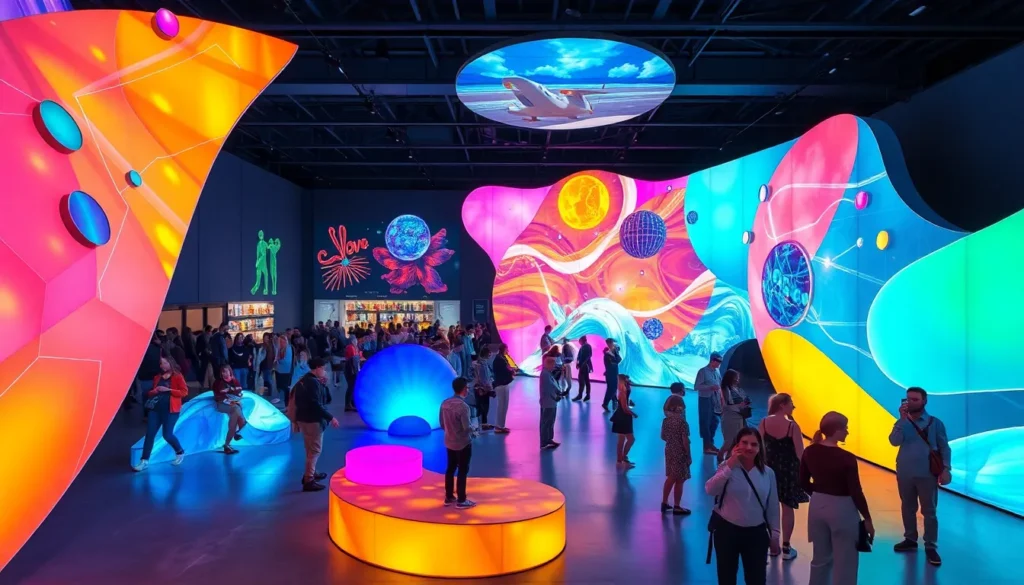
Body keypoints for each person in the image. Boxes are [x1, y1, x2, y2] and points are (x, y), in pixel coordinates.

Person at [801, 412, 874, 585]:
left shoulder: (809, 451)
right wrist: (867, 518)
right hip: (843, 509)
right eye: (845, 428)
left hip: (817, 506)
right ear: (836, 430)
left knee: (820, 559)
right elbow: (855, 491)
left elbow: (802, 482)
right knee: (846, 561)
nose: (847, 432)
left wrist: (819, 493)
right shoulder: (847, 458)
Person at [705, 428, 781, 585]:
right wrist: (730, 464)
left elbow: (773, 506)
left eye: (754, 444)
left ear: (760, 448)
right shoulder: (727, 468)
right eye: (744, 443)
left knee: (757, 579)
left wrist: (775, 535)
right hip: (727, 531)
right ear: (736, 445)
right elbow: (710, 489)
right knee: (726, 578)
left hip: (756, 534)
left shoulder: (768, 473)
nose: (749, 447)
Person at [889, 386, 951, 566]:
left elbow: (944, 447)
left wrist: (946, 468)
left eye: (915, 399)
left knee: (929, 511)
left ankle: (931, 545)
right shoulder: (901, 422)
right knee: (907, 507)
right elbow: (894, 441)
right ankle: (910, 539)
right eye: (908, 399)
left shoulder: (935, 423)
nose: (910, 402)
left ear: (924, 401)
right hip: (905, 472)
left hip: (927, 474)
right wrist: (901, 420)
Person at [758, 393, 808, 561]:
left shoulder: (764, 422)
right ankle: (786, 547)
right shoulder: (792, 427)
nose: (793, 406)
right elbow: (800, 454)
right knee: (787, 508)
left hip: (768, 470)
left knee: (767, 507)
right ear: (782, 405)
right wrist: (807, 474)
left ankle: (771, 545)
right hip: (788, 471)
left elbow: (758, 446)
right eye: (791, 403)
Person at [289, 358, 339, 492]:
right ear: (317, 368)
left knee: (309, 448)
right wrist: (331, 417)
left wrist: (324, 385)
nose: (325, 371)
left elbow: (326, 399)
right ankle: (308, 479)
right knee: (315, 450)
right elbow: (316, 404)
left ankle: (312, 472)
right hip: (313, 420)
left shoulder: (304, 380)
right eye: (323, 368)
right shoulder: (313, 383)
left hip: (303, 419)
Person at [132, 357, 188, 471]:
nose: (162, 365)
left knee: (167, 435)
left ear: (170, 363)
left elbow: (184, 392)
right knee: (150, 434)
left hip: (171, 410)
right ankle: (144, 461)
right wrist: (156, 390)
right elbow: (151, 393)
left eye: (164, 363)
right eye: (161, 363)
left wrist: (169, 390)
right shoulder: (157, 377)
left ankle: (179, 451)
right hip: (156, 409)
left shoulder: (177, 376)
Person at [440, 377, 476, 508]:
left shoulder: (444, 403)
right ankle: (461, 500)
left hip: (449, 441)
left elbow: (442, 424)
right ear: (464, 389)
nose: (468, 390)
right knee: (462, 470)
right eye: (467, 388)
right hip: (463, 443)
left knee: (450, 468)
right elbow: (466, 428)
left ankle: (449, 496)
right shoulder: (463, 407)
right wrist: (474, 429)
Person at [661, 390, 691, 515]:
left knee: (670, 477)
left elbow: (663, 436)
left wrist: (672, 439)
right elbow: (685, 441)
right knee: (680, 479)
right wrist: (688, 455)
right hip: (680, 452)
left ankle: (664, 502)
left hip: (669, 450)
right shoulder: (683, 423)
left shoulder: (666, 421)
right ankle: (677, 506)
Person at [212, 364, 246, 454]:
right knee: (236, 408)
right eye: (223, 372)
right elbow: (218, 396)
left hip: (233, 404)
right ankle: (240, 428)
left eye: (226, 371)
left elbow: (239, 390)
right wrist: (230, 397)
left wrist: (233, 392)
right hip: (222, 404)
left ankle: (227, 444)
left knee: (235, 413)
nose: (224, 374)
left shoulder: (234, 380)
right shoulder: (218, 382)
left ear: (230, 372)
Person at [718, 369, 750, 463]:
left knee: (737, 440)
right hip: (730, 417)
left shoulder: (736, 388)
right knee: (729, 441)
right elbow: (726, 405)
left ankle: (729, 459)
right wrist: (739, 405)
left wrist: (745, 403)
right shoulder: (725, 389)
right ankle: (720, 456)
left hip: (739, 416)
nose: (737, 379)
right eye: (736, 377)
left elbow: (743, 399)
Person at [695, 353, 723, 454]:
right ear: (712, 361)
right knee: (705, 422)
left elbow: (720, 384)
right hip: (705, 399)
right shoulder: (703, 371)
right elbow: (697, 387)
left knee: (714, 421)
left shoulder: (717, 371)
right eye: (718, 361)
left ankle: (710, 443)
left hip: (715, 399)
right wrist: (710, 387)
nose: (719, 364)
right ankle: (706, 446)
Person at [611, 374, 637, 467]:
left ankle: (620, 459)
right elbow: (625, 408)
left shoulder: (624, 390)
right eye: (626, 379)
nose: (628, 381)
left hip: (621, 416)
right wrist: (633, 414)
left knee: (621, 440)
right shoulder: (622, 393)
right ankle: (623, 457)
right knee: (630, 439)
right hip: (623, 417)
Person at [492, 344, 517, 434]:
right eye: (507, 349)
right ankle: (498, 426)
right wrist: (511, 372)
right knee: (501, 406)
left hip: (504, 384)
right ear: (504, 349)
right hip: (500, 384)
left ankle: (501, 425)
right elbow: (505, 370)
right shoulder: (499, 360)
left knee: (504, 406)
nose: (508, 351)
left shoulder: (501, 358)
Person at [539, 356, 561, 450]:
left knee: (550, 421)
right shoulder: (545, 374)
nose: (554, 366)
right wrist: (556, 396)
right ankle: (544, 441)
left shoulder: (548, 373)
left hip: (551, 401)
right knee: (546, 421)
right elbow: (549, 388)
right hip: (548, 402)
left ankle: (549, 439)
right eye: (553, 365)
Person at [473, 346, 495, 430]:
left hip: (478, 388)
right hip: (483, 389)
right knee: (484, 407)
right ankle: (483, 424)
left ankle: (479, 424)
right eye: (489, 354)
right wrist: (490, 389)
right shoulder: (483, 365)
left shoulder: (477, 363)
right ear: (486, 354)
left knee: (479, 406)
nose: (490, 355)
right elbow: (485, 378)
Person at [601, 338, 622, 412]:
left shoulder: (612, 353)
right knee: (612, 389)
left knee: (612, 389)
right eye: (612, 343)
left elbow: (619, 360)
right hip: (611, 374)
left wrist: (616, 352)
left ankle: (613, 402)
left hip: (613, 373)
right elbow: (615, 362)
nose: (613, 344)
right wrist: (616, 353)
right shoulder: (607, 354)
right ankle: (606, 403)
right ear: (609, 343)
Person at [572, 335, 593, 402]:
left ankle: (582, 395)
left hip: (584, 366)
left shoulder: (586, 346)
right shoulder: (585, 346)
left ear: (582, 340)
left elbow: (587, 356)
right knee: (585, 380)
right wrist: (578, 363)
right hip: (584, 365)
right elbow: (581, 356)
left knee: (583, 380)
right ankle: (585, 395)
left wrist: (582, 364)